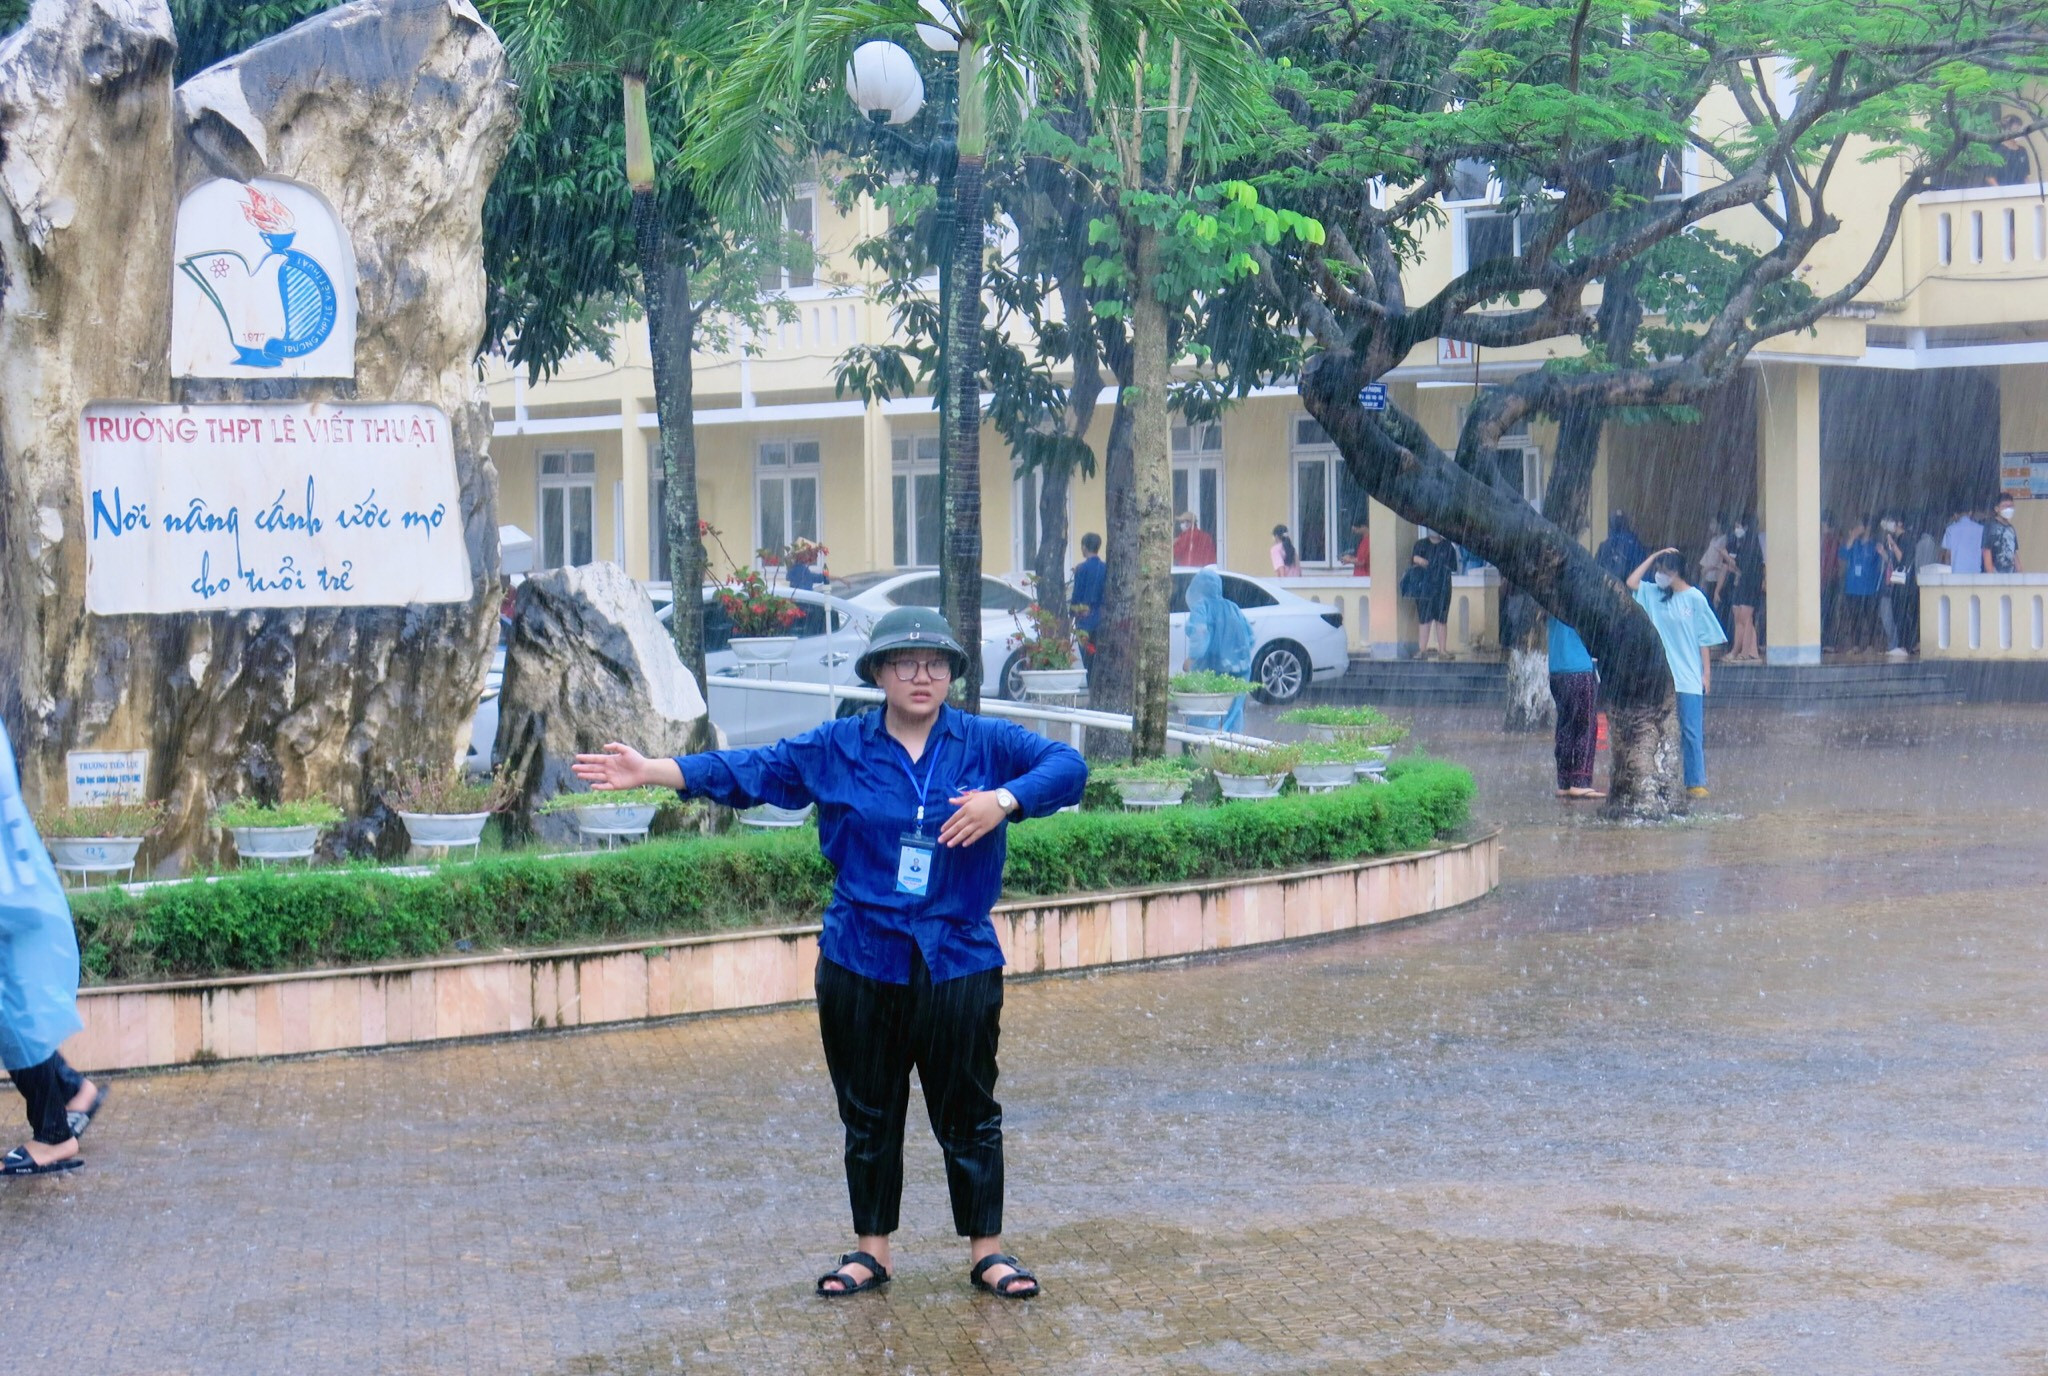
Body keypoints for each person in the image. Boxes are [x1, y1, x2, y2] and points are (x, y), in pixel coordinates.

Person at [572, 607, 1086, 1301]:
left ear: (953, 675)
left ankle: (987, 1251)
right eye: (904, 662)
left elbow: (1069, 765)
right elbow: (751, 768)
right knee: (869, 1109)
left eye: (936, 663)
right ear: (878, 672)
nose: (921, 675)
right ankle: (872, 1252)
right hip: (859, 955)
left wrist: (1005, 799)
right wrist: (653, 771)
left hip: (957, 954)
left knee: (967, 1109)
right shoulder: (840, 746)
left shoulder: (984, 742)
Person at [2, 718, 107, 1177]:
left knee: (13, 1012)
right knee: (13, 1007)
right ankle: (70, 1091)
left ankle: (54, 1135)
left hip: (10, 890)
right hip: (15, 882)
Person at [1627, 548, 1727, 799]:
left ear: (1677, 572)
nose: (1659, 575)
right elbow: (1631, 582)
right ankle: (1662, 779)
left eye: (1664, 570)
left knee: (1691, 732)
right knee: (1658, 731)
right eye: (1658, 570)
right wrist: (1653, 556)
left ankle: (1695, 782)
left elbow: (1703, 638)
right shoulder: (1653, 594)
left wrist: (1707, 674)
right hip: (1661, 678)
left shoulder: (1695, 599)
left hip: (1688, 678)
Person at [1182, 566, 1255, 734]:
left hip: (1214, 669)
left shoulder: (1202, 607)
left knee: (1208, 711)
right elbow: (1250, 637)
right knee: (1234, 712)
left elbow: (1199, 634)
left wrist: (1192, 659)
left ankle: (1205, 748)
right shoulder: (1232, 607)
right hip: (1241, 670)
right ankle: (1231, 748)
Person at [1548, 619, 1602, 799]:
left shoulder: (1555, 600)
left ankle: (1563, 781)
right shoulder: (1580, 600)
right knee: (1586, 725)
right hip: (1579, 668)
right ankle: (1580, 782)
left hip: (1557, 672)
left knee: (1565, 726)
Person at [1406, 527, 1458, 659]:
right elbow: (1413, 558)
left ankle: (1442, 650)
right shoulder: (1420, 544)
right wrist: (1419, 560)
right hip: (1424, 588)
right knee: (1424, 619)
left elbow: (1452, 566)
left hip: (1442, 588)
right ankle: (1422, 650)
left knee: (1441, 619)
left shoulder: (1447, 546)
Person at [1838, 519, 1883, 654]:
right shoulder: (1853, 544)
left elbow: (1881, 565)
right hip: (1852, 588)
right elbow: (1843, 555)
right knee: (1854, 617)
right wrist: (1852, 537)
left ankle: (1870, 645)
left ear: (1869, 528)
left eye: (1862, 527)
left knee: (1870, 618)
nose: (1860, 529)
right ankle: (1856, 644)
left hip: (1869, 589)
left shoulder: (1875, 545)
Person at [1725, 512, 1765, 662]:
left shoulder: (1750, 544)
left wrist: (1726, 556)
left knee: (1745, 619)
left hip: (1749, 584)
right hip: (1746, 583)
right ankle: (1749, 652)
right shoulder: (1748, 543)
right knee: (1744, 619)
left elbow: (1741, 565)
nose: (1736, 529)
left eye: (1738, 526)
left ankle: (1742, 652)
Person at [1069, 532, 1107, 683]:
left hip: (1084, 620)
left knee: (1087, 660)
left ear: (1084, 547)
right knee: (1100, 660)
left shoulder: (1082, 569)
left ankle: (1092, 687)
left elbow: (1077, 593)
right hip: (1101, 618)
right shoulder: (1105, 568)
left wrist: (1072, 613)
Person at [1877, 515, 1912, 657]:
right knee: (1890, 616)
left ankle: (1901, 646)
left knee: (1899, 616)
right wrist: (1883, 553)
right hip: (1891, 585)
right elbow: (1891, 562)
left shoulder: (1906, 539)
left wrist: (1893, 544)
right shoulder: (1896, 539)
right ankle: (1895, 646)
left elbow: (1901, 559)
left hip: (1900, 586)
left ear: (1899, 523)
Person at [1595, 512, 1648, 583]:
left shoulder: (1605, 545)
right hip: (1629, 587)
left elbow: (1597, 570)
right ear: (1626, 523)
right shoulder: (1635, 544)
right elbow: (1643, 569)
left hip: (1608, 586)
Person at [1699, 515, 1734, 622]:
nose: (1711, 526)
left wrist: (1709, 567)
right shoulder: (1713, 540)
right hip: (1708, 577)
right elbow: (1706, 558)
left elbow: (1719, 561)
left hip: (1717, 578)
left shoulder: (1724, 539)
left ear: (1719, 525)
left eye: (1713, 523)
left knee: (1716, 609)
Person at [1819, 510, 1842, 651]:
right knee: (1827, 612)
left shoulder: (1830, 540)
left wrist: (1823, 579)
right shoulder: (1830, 539)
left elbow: (1828, 563)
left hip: (1828, 581)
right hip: (1828, 580)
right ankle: (1827, 642)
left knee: (1827, 612)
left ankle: (1828, 642)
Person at [1983, 493, 2020, 573]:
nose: (2008, 509)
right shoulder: (1991, 526)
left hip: (2011, 576)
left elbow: (2013, 553)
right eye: (2005, 506)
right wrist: (1991, 573)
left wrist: (2020, 572)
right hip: (1996, 575)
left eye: (2010, 506)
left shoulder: (2011, 528)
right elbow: (1986, 551)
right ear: (1997, 509)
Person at [1942, 505, 1984, 574]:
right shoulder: (1981, 529)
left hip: (1956, 574)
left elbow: (1948, 556)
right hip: (1976, 574)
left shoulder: (1950, 529)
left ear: (1955, 515)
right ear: (1970, 512)